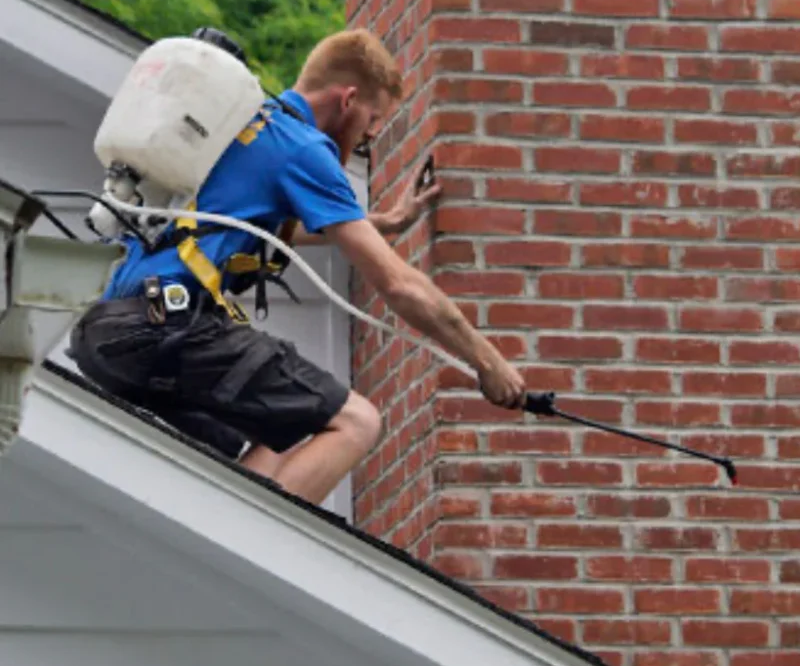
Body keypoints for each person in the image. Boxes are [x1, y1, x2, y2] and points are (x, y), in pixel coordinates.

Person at [69, 28, 526, 506]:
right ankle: (250, 552)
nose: (372, 134)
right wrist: (488, 363)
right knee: (355, 420)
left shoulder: (247, 127)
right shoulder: (301, 147)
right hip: (164, 323)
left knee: (277, 432)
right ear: (347, 99)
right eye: (374, 119)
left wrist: (383, 223)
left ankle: (229, 534)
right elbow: (398, 284)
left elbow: (257, 229)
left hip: (108, 333)